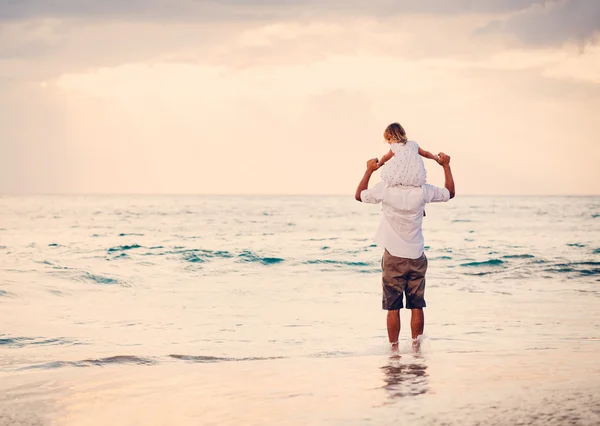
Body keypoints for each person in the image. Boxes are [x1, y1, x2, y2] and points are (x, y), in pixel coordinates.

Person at [355, 152, 455, 352]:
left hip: (393, 256)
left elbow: (359, 195)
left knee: (393, 306)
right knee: (416, 304)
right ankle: (417, 350)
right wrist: (445, 166)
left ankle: (394, 351)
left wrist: (369, 170)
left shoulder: (385, 189)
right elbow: (449, 193)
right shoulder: (423, 191)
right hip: (416, 255)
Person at [377, 123, 439, 187]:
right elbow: (426, 154)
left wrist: (379, 163)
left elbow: (385, 157)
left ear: (395, 136)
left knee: (390, 171)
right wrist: (435, 158)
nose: (388, 142)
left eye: (389, 139)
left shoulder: (394, 146)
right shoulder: (413, 144)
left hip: (401, 174)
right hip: (415, 175)